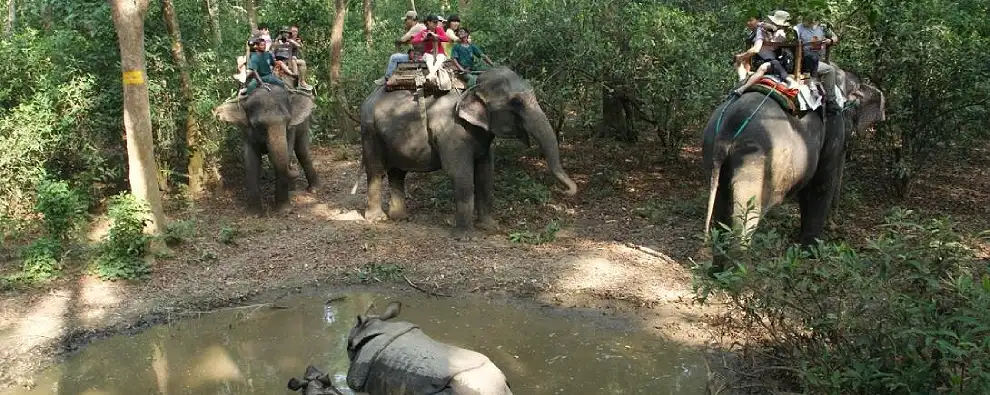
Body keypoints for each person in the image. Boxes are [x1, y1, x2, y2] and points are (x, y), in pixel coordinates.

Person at [730, 10, 797, 97]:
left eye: (777, 24)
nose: (773, 25)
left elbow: (756, 49)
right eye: (773, 22)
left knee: (764, 67)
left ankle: (743, 88)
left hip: (781, 61)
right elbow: (761, 26)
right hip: (765, 59)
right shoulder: (762, 29)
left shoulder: (786, 33)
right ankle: (742, 81)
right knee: (739, 61)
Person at [795, 13, 841, 112]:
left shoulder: (823, 28)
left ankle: (831, 98)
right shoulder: (797, 28)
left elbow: (835, 38)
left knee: (833, 67)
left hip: (817, 60)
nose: (809, 21)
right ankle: (831, 101)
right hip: (803, 61)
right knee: (830, 70)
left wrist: (830, 41)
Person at [374, 11, 427, 85]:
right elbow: (408, 41)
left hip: (420, 56)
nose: (405, 22)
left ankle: (387, 78)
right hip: (421, 54)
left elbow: (402, 40)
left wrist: (398, 41)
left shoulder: (416, 27)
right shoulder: (420, 26)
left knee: (394, 57)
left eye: (406, 20)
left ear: (412, 20)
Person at [410, 14, 451, 84]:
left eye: (437, 22)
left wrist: (436, 36)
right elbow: (414, 41)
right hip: (428, 53)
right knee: (429, 60)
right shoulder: (424, 32)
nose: (436, 24)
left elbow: (447, 39)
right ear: (428, 22)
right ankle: (433, 74)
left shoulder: (439, 29)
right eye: (434, 22)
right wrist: (423, 38)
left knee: (439, 59)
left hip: (439, 52)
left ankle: (431, 74)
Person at [274, 25, 312, 89]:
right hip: (282, 59)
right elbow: (274, 50)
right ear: (281, 33)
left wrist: (291, 41)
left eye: (286, 33)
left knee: (302, 62)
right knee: (293, 60)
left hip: (289, 59)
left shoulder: (291, 41)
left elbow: (299, 47)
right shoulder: (278, 40)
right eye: (284, 33)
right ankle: (295, 77)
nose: (285, 34)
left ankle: (302, 81)